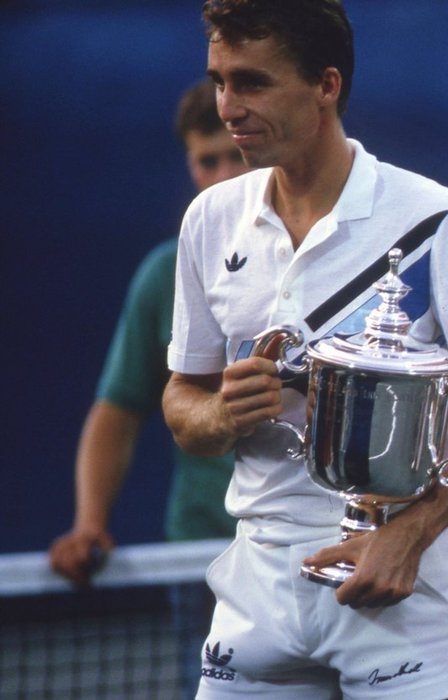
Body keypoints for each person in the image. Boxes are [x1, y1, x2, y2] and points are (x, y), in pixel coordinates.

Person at [161, 1, 448, 698]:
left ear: (326, 85)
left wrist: (410, 533)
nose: (228, 107)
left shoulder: (436, 219)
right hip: (258, 585)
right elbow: (183, 397)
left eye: (251, 83)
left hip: (404, 583)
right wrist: (220, 415)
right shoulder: (209, 220)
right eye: (219, 81)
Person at [48, 78, 248, 699]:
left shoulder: (316, 257)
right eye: (204, 159)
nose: (218, 174)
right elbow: (118, 411)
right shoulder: (165, 272)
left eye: (232, 155)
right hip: (203, 558)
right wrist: (89, 523)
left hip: (307, 549)